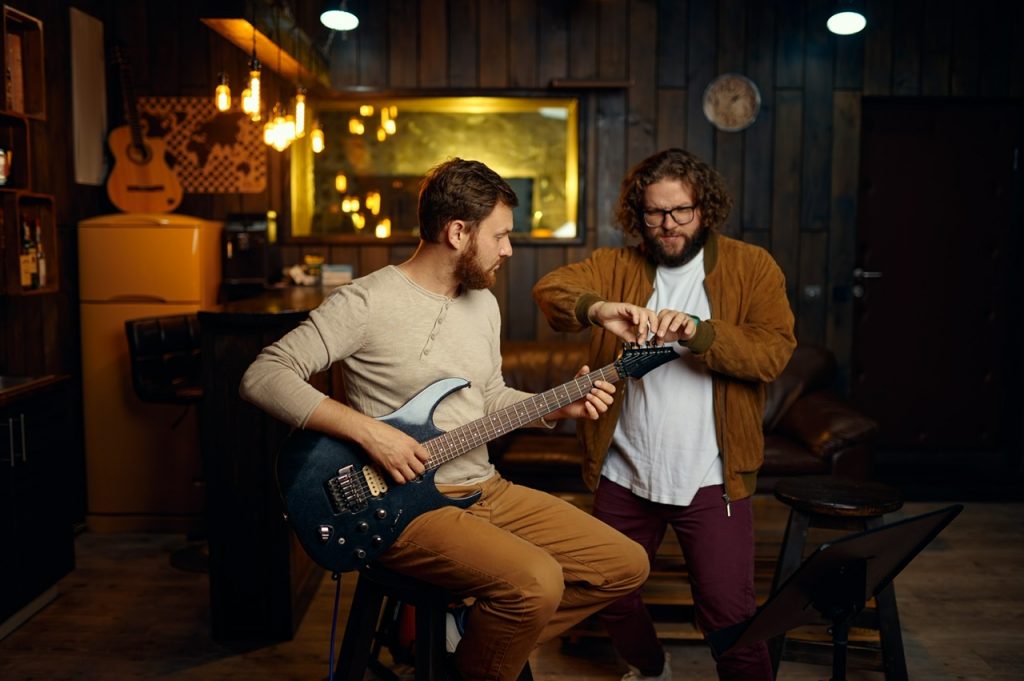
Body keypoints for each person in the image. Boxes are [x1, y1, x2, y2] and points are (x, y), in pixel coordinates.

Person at [240, 158, 649, 681]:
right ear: (458, 232)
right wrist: (373, 434)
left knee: (625, 564)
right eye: (500, 235)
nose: (508, 249)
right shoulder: (365, 301)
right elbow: (264, 375)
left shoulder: (483, 304)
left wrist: (554, 406)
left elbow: (489, 398)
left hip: (487, 489)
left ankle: (474, 641)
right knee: (538, 581)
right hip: (403, 507)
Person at [533, 147, 796, 681]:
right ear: (639, 213)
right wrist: (600, 309)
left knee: (731, 618)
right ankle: (651, 668)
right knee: (606, 592)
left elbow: (772, 353)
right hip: (625, 472)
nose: (668, 225)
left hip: (711, 478)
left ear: (705, 208)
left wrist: (701, 334)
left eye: (681, 211)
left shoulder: (751, 266)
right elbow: (550, 291)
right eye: (655, 213)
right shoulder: (616, 265)